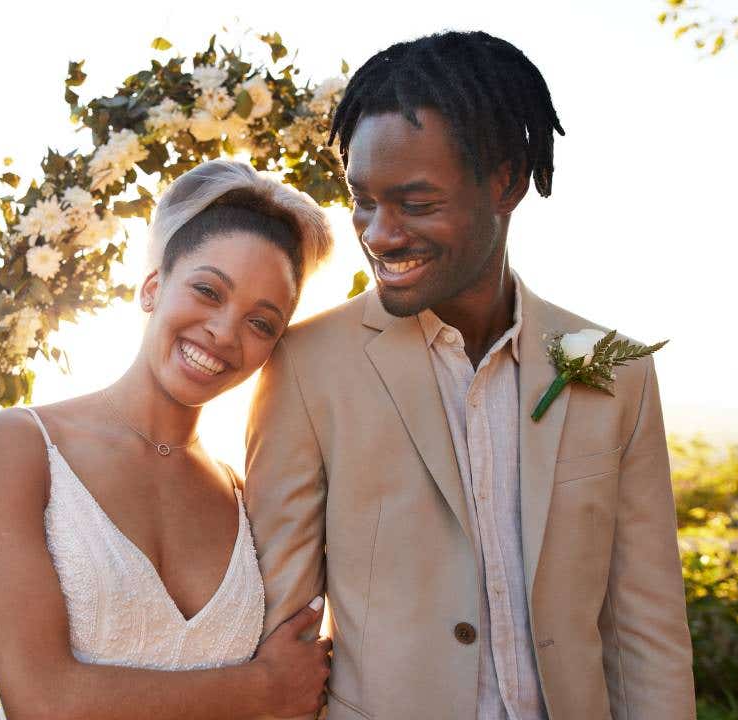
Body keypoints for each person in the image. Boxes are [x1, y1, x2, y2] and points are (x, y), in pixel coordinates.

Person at [246, 31, 695, 720]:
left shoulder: (619, 373)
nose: (380, 234)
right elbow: (281, 630)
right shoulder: (306, 367)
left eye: (417, 203)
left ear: (506, 182)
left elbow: (645, 632)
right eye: (364, 199)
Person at [0, 159, 336, 720]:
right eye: (208, 291)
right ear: (153, 287)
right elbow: (42, 700)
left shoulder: (242, 491)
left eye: (261, 323)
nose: (225, 333)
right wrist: (261, 687)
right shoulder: (19, 447)